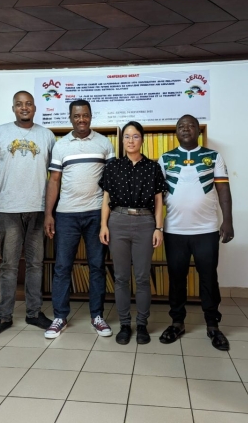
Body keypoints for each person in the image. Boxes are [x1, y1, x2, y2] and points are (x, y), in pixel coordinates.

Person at [0, 91, 56, 338]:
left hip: (37, 209)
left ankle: (34, 313)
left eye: (28, 104)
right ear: (13, 108)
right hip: (8, 210)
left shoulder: (47, 136)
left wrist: (50, 212)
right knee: (9, 266)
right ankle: (4, 316)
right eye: (19, 104)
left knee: (36, 264)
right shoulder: (0, 132)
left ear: (35, 108)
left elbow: (54, 177)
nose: (24, 108)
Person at [158, 114, 234, 351]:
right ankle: (177, 322)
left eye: (191, 125)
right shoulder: (165, 158)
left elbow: (223, 191)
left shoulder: (213, 157)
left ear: (199, 131)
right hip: (174, 231)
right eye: (181, 126)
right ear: (176, 132)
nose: (186, 129)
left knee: (209, 278)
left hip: (206, 230)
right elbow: (158, 197)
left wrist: (228, 221)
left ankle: (213, 325)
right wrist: (158, 226)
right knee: (176, 277)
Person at [44, 99, 115, 339]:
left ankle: (97, 316)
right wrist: (48, 215)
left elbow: (111, 182)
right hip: (66, 215)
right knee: (63, 267)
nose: (81, 120)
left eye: (85, 115)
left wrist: (109, 216)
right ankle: (60, 317)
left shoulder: (104, 143)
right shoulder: (61, 146)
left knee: (97, 267)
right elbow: (53, 181)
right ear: (70, 117)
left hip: (97, 213)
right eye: (77, 116)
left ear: (91, 116)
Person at [99, 121, 166, 345]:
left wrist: (158, 228)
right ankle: (125, 324)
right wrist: (104, 225)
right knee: (121, 277)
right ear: (122, 141)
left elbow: (158, 200)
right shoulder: (113, 166)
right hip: (117, 221)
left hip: (145, 222)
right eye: (127, 136)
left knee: (142, 277)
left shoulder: (153, 167)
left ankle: (143, 325)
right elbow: (106, 199)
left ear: (142, 139)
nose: (130, 141)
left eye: (135, 136)